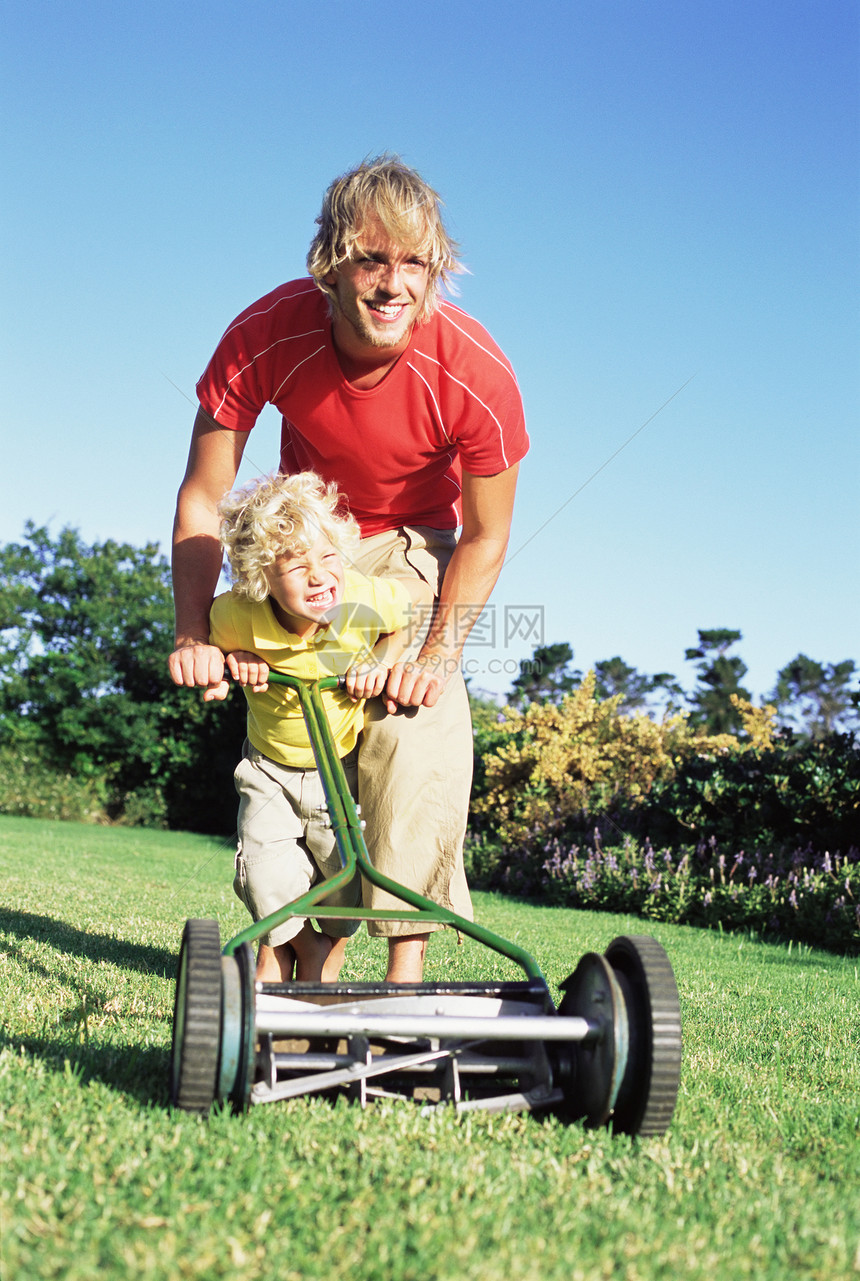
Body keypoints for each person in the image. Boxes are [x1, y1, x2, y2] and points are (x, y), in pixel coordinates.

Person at [169, 154, 529, 982]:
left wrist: (435, 654)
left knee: (412, 719)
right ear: (330, 265)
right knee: (306, 704)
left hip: (411, 545)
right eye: (372, 259)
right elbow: (203, 496)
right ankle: (300, 945)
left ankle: (402, 987)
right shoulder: (267, 331)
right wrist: (196, 631)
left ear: (436, 272)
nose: (392, 283)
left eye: (414, 263)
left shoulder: (474, 370)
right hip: (312, 529)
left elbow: (483, 535)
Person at [206, 470, 432, 983]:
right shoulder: (236, 614)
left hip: (338, 772)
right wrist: (234, 658)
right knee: (261, 874)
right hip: (269, 768)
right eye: (297, 565)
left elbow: (406, 618)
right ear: (261, 575)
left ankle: (323, 946)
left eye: (328, 558)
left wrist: (380, 657)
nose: (319, 576)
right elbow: (213, 651)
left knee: (344, 886)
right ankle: (302, 948)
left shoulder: (362, 599)